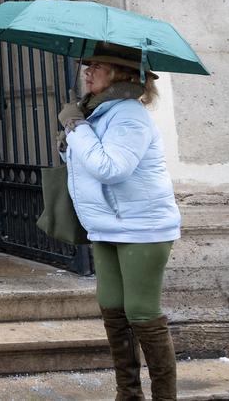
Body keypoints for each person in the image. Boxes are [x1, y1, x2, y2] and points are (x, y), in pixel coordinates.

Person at [57, 42, 181, 400]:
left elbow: (111, 169)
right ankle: (128, 394)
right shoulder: (97, 113)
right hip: (107, 225)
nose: (86, 71)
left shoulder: (128, 114)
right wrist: (69, 141)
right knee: (113, 310)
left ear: (119, 73)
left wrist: (76, 129)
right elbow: (88, 170)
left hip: (143, 228)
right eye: (87, 64)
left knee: (142, 314)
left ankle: (164, 397)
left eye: (96, 66)